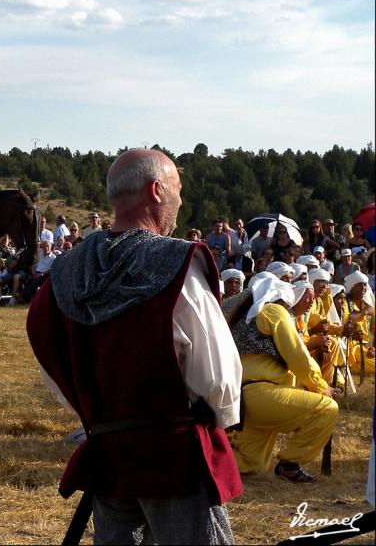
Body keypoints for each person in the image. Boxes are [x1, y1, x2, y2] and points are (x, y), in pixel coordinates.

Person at [28, 148, 242, 545]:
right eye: (177, 187)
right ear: (157, 190)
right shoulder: (174, 262)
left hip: (108, 452)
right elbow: (218, 374)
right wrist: (221, 419)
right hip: (173, 453)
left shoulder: (67, 269)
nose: (181, 198)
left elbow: (45, 348)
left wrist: (96, 412)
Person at [227, 273, 339, 483]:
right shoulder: (274, 311)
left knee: (250, 463)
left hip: (241, 398)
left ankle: (196, 463)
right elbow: (298, 356)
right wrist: (321, 387)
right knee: (327, 408)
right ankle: (289, 465)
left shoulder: (243, 316)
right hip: (263, 395)